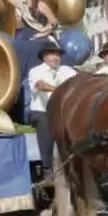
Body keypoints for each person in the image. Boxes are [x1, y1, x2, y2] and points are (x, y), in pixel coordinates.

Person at [28, 43, 77, 176]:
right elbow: (40, 85)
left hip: (64, 112)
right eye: (51, 54)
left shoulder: (67, 70)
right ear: (44, 57)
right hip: (42, 111)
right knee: (44, 123)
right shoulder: (35, 71)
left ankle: (77, 163)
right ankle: (47, 168)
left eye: (57, 55)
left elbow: (79, 82)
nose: (55, 58)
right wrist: (60, 91)